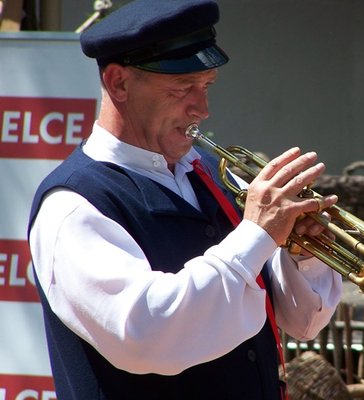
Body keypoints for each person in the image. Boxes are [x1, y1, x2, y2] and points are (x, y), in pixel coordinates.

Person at [27, 1, 342, 399]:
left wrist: (300, 253)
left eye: (206, 86)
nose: (202, 109)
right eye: (182, 89)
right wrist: (256, 234)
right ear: (119, 84)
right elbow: (148, 334)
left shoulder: (207, 171)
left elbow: (303, 321)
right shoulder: (74, 205)